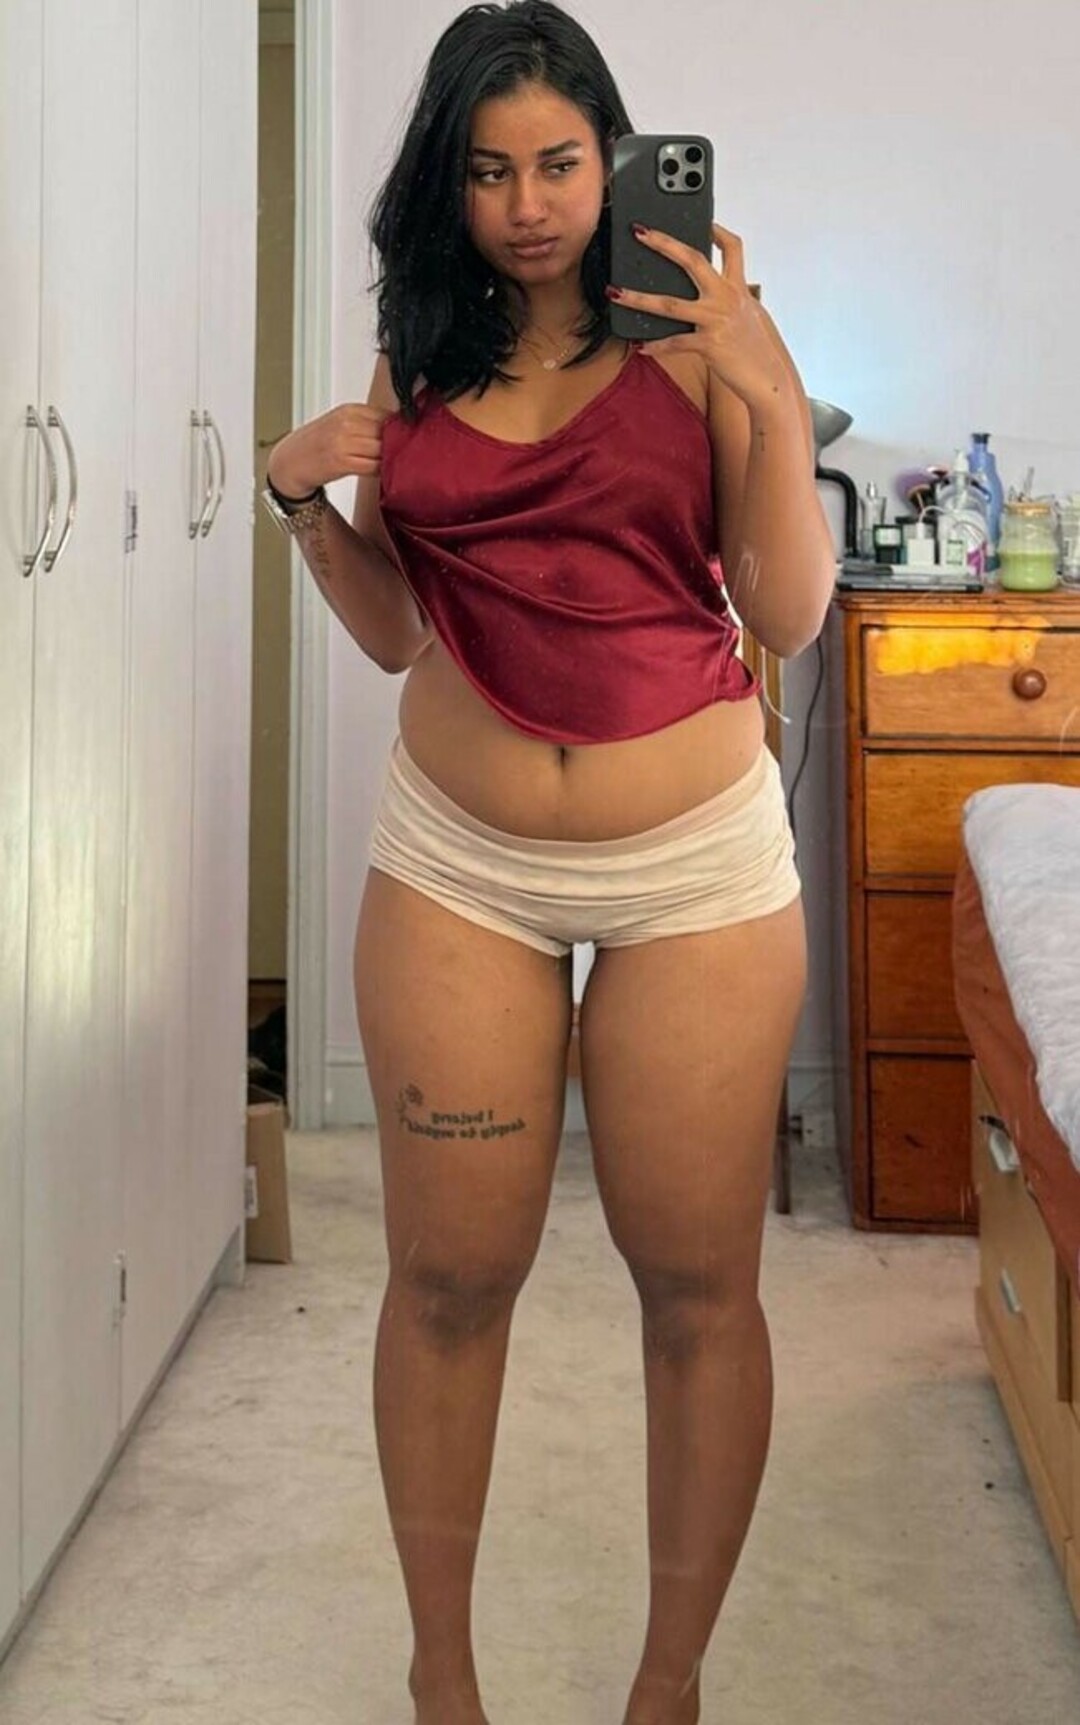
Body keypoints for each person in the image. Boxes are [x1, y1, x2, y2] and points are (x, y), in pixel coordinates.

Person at [265, 4, 835, 1719]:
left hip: (696, 873)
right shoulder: (420, 348)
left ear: (613, 159)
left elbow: (787, 609)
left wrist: (766, 387)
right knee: (448, 1278)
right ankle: (443, 1678)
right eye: (491, 169)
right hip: (458, 864)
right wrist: (301, 505)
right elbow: (393, 632)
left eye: (562, 164)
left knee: (696, 1287)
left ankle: (668, 1686)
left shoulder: (702, 337)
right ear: (448, 180)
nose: (529, 204)